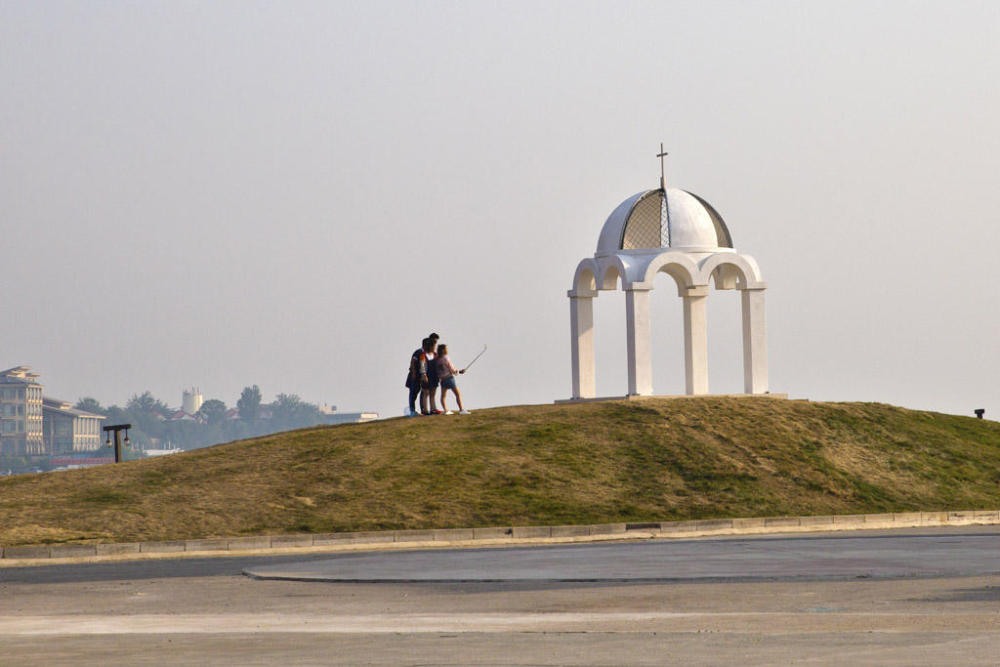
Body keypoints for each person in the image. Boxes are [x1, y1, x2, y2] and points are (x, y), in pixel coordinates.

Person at [435, 344, 471, 414]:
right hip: (449, 379)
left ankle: (445, 410)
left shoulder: (437, 360)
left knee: (443, 396)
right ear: (443, 350)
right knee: (457, 394)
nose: (447, 350)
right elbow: (452, 370)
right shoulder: (446, 359)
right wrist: (460, 371)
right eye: (446, 349)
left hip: (442, 380)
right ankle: (461, 410)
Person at [405, 338, 431, 417]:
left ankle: (423, 409)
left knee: (423, 393)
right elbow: (413, 363)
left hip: (421, 377)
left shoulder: (426, 354)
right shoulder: (419, 352)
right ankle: (412, 411)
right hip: (415, 376)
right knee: (413, 394)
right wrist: (414, 373)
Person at [423, 336, 441, 414]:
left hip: (434, 376)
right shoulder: (423, 355)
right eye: (433, 347)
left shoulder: (435, 355)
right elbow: (422, 366)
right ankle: (425, 410)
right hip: (426, 376)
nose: (434, 348)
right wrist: (424, 375)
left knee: (433, 393)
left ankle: (433, 409)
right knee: (426, 393)